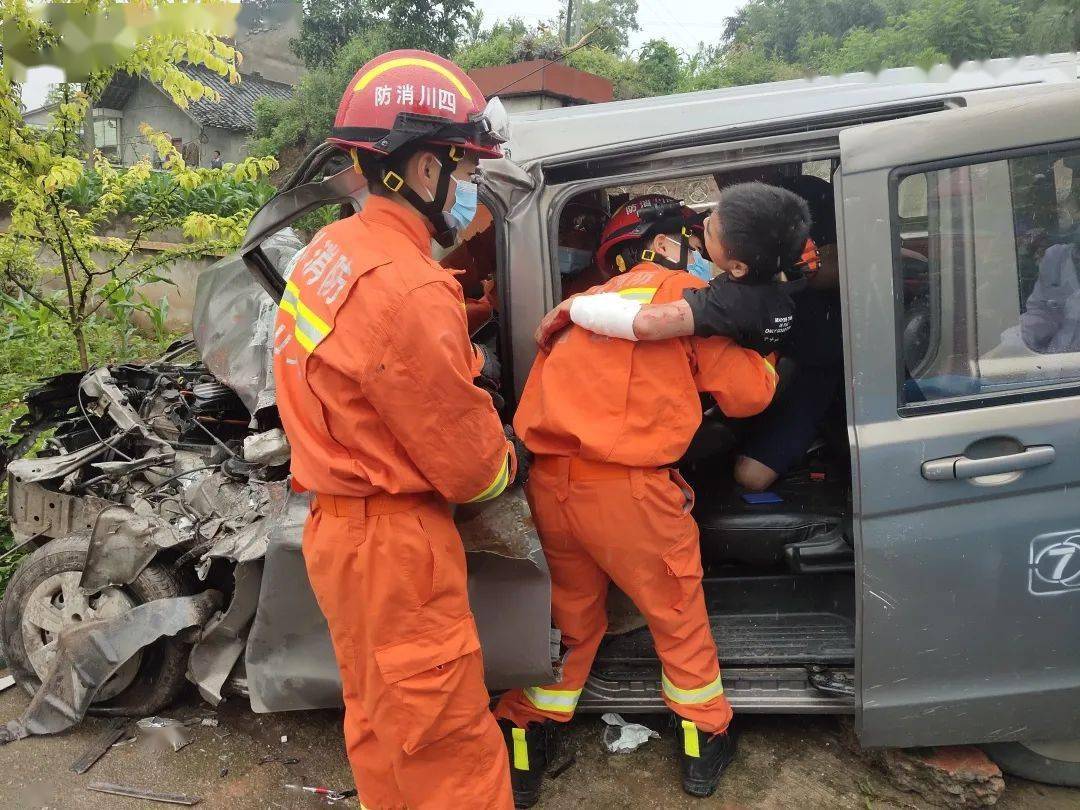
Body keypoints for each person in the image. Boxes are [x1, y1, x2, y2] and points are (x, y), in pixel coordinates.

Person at [495, 187, 810, 806]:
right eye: (690, 241)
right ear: (665, 244)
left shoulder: (582, 306)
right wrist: (764, 352)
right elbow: (750, 399)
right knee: (676, 613)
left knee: (571, 619)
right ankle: (705, 735)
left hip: (551, 488)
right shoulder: (693, 305)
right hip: (630, 496)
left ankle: (526, 732)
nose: (699, 253)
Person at [273, 50, 516, 810]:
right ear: (420, 171)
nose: (474, 184)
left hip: (337, 533)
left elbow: (366, 361)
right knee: (447, 748)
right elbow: (474, 472)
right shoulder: (410, 289)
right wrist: (516, 456)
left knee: (381, 723)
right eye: (467, 163)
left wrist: (460, 327)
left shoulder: (328, 253)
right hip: (396, 547)